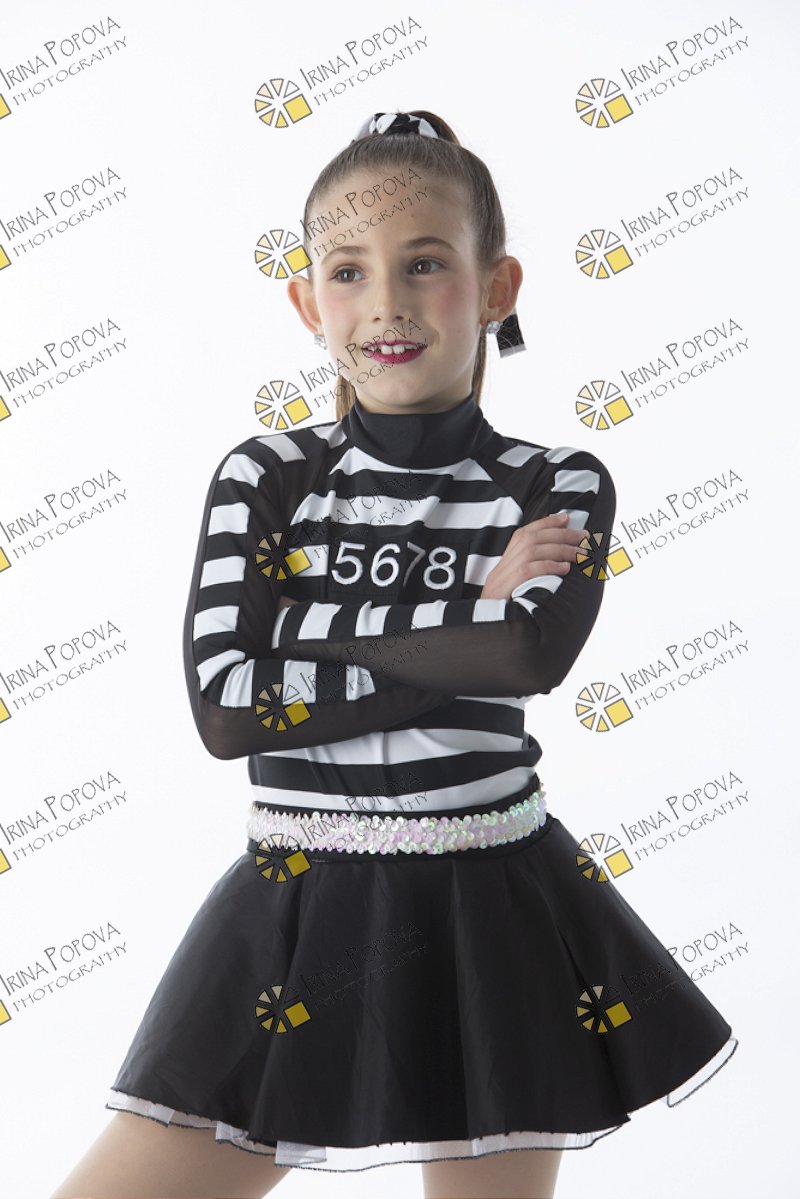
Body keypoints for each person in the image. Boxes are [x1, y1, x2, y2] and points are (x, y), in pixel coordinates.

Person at [50, 109, 738, 1199]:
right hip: (293, 904)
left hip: (495, 909)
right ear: (305, 302)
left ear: (496, 286)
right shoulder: (266, 477)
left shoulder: (555, 482)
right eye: (348, 271)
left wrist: (301, 632)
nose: (386, 302)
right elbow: (227, 707)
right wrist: (464, 608)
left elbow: (525, 654)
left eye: (425, 263)